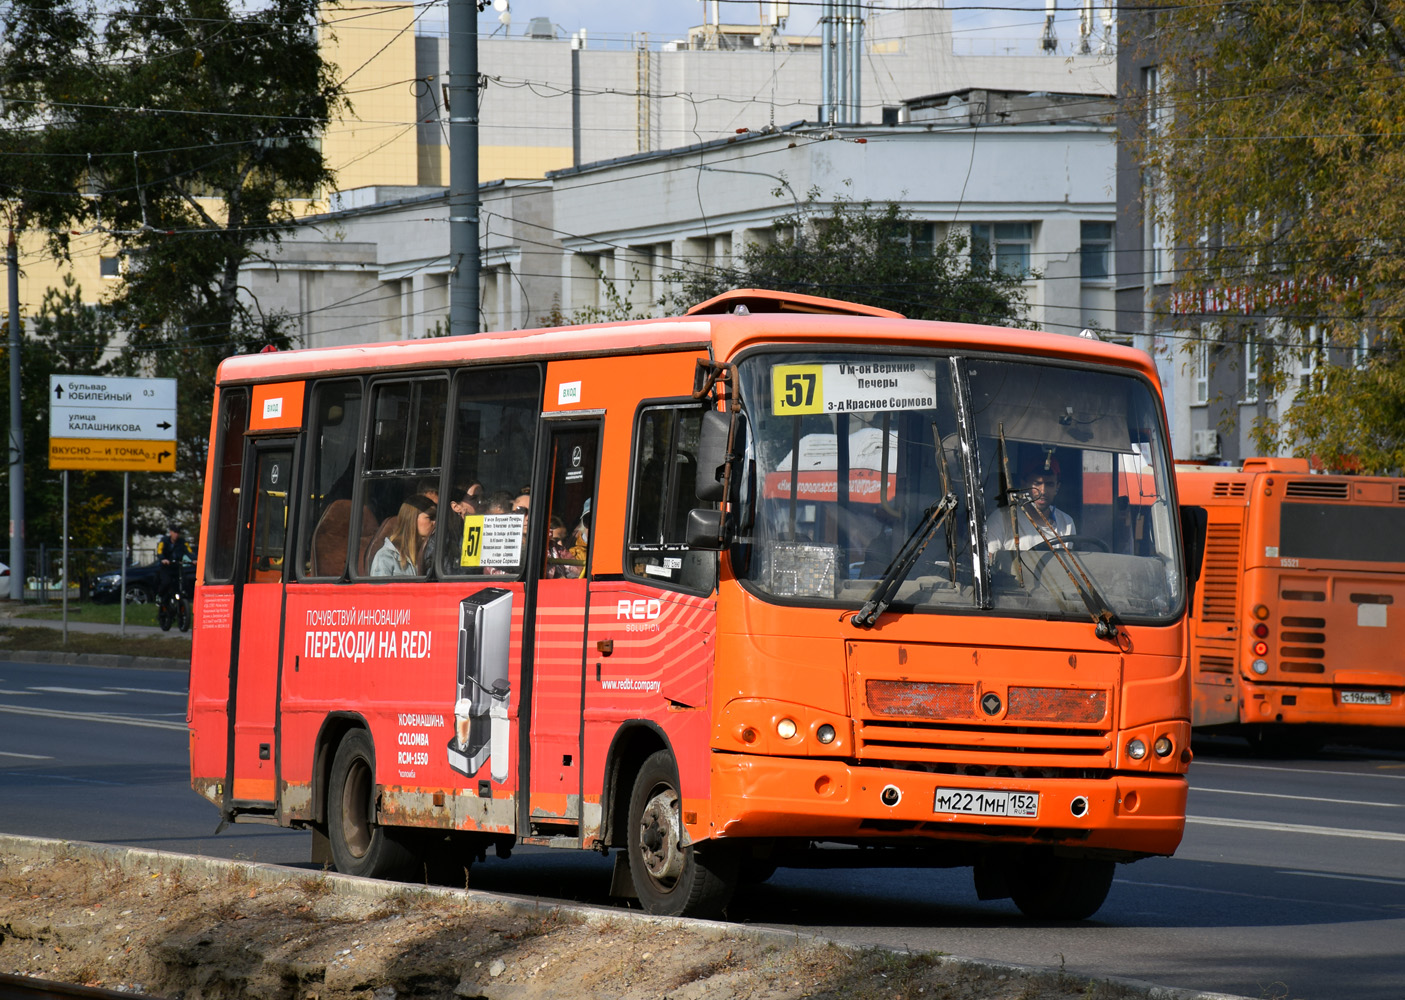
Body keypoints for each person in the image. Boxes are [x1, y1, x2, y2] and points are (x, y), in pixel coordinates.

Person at [987, 453, 1075, 555]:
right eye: (1037, 483)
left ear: (1057, 487)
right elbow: (989, 563)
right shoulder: (1002, 518)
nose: (1043, 491)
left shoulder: (1066, 523)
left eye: (1049, 484)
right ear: (1024, 484)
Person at [370, 494, 436, 577]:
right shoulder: (386, 557)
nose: (435, 523)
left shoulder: (432, 554)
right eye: (431, 517)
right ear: (412, 519)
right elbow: (379, 589)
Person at [156, 523, 193, 606]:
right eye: (175, 532)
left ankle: (184, 601)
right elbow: (159, 551)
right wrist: (163, 559)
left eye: (178, 533)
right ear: (170, 533)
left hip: (177, 567)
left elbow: (189, 551)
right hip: (166, 568)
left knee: (184, 582)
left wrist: (194, 560)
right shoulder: (164, 541)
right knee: (166, 582)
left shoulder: (182, 542)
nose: (176, 535)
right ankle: (160, 596)